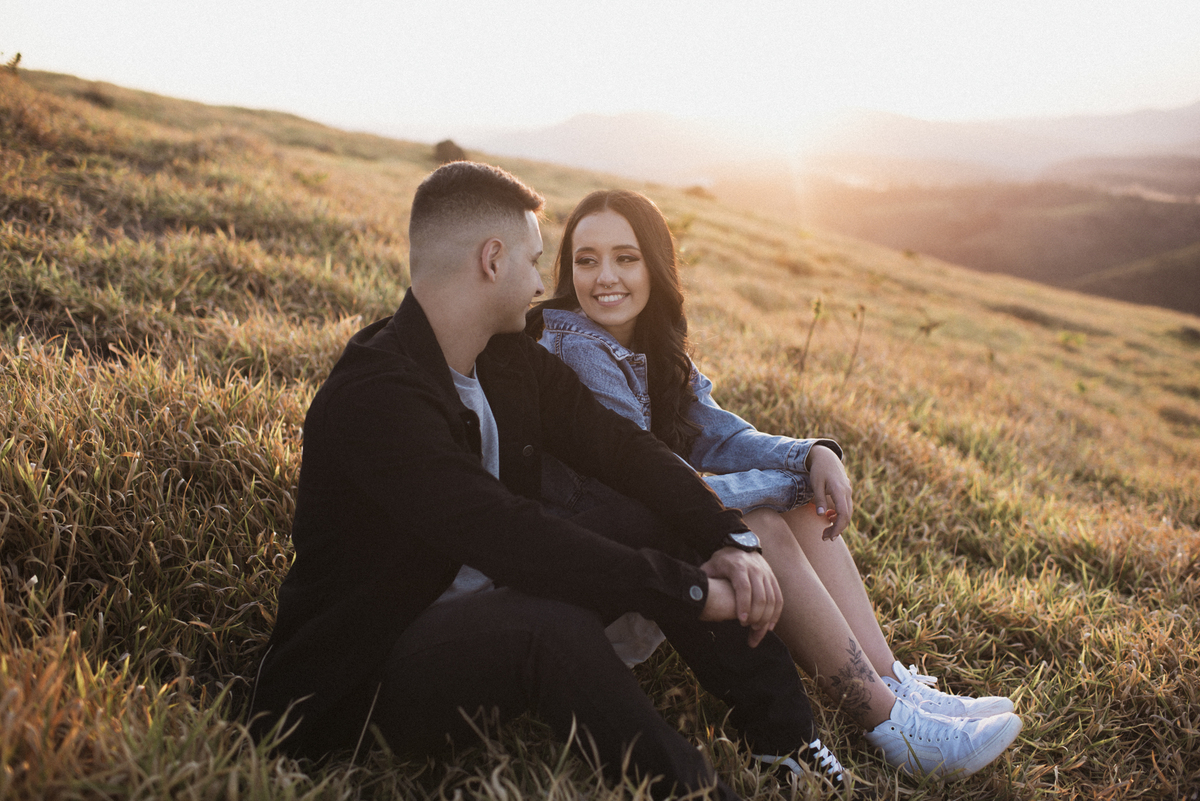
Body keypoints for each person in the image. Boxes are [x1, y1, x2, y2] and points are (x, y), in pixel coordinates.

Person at [248, 162, 851, 799]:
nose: (542, 283)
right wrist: (696, 593)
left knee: (655, 510)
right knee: (545, 628)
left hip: (488, 596)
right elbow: (512, 537)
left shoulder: (505, 357)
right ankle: (695, 791)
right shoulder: (376, 398)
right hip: (377, 676)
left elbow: (627, 452)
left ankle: (785, 745)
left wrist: (732, 539)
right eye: (535, 261)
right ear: (492, 260)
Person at [525, 189, 1023, 780]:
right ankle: (893, 727)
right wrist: (779, 486)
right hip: (602, 587)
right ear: (568, 268)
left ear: (655, 265)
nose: (604, 277)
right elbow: (651, 488)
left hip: (652, 553)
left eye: (625, 258)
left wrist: (809, 453)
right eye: (586, 260)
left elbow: (718, 434)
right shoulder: (576, 347)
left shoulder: (644, 341)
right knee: (761, 524)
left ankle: (894, 685)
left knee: (803, 507)